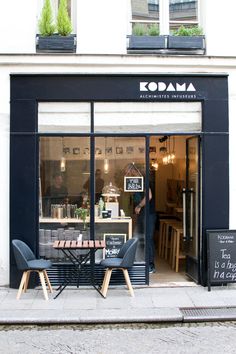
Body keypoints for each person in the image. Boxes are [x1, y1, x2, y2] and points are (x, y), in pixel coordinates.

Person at [134, 181, 157, 273]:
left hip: (149, 214)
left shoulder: (144, 180)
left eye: (130, 172)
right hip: (143, 214)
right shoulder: (137, 182)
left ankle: (150, 265)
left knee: (148, 238)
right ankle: (140, 262)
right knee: (140, 237)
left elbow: (149, 196)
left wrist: (139, 206)